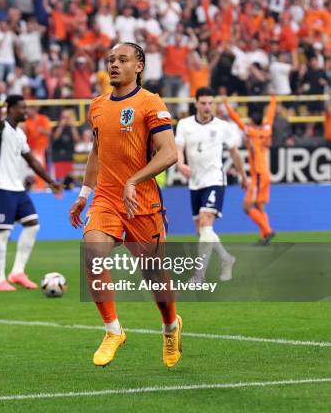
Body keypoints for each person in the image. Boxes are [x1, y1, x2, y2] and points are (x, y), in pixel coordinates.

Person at [68, 43, 182, 369]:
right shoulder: (97, 105)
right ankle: (112, 330)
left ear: (139, 66)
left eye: (122, 60)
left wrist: (134, 180)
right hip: (106, 198)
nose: (114, 65)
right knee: (92, 252)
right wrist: (83, 193)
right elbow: (96, 151)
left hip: (142, 204)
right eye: (111, 60)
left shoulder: (150, 103)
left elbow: (169, 153)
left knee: (155, 278)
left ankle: (170, 326)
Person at [0, 95, 64, 291]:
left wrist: (50, 181)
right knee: (3, 232)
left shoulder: (20, 134)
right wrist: (1, 114)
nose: (26, 111)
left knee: (33, 225)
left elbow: (32, 160)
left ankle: (17, 272)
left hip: (17, 188)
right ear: (10, 109)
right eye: (21, 108)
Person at [175, 86, 248, 283]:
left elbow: (235, 153)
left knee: (206, 227)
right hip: (195, 182)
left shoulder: (223, 126)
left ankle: (199, 276)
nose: (208, 107)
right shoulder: (184, 124)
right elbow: (178, 148)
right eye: (204, 103)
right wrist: (180, 164)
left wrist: (242, 176)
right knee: (201, 231)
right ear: (196, 103)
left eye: (210, 103)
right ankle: (226, 258)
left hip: (215, 179)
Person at [223, 95, 277, 245]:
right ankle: (264, 237)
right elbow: (271, 115)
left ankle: (267, 230)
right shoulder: (267, 129)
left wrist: (226, 104)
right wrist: (273, 99)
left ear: (252, 121)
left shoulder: (251, 131)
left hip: (258, 174)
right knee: (260, 206)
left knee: (246, 207)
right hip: (265, 173)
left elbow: (236, 119)